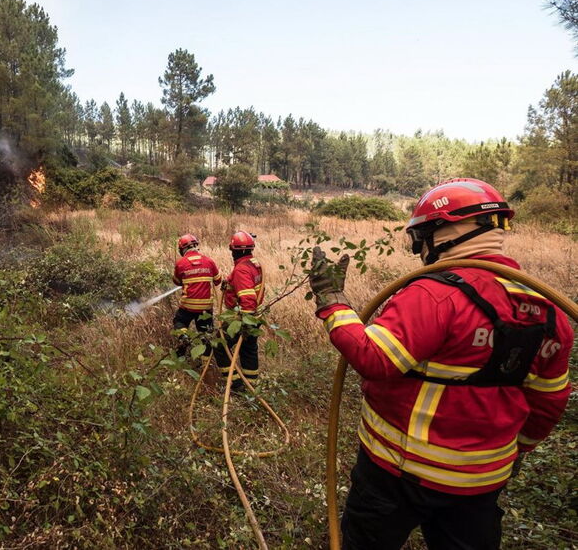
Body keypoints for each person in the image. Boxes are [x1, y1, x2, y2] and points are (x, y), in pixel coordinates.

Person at [308, 178, 573, 550]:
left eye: (421, 239)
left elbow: (374, 357)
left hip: (396, 473)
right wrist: (517, 451)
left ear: (444, 232)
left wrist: (333, 302)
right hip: (480, 485)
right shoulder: (549, 314)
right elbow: (550, 403)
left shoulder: (433, 295)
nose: (421, 252)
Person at [217, 231, 264, 390]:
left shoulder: (241, 269)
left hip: (241, 317)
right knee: (248, 350)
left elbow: (248, 298)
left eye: (233, 250)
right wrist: (229, 282)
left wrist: (244, 323)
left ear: (236, 250)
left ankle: (236, 385)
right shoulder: (254, 263)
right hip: (255, 316)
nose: (232, 254)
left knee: (219, 344)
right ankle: (251, 385)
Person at [172, 234, 221, 357]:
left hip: (188, 305)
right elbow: (218, 280)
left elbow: (177, 282)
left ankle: (183, 338)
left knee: (179, 321)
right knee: (206, 335)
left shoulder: (181, 263)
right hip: (205, 308)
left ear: (182, 249)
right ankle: (205, 364)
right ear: (196, 246)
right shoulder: (209, 261)